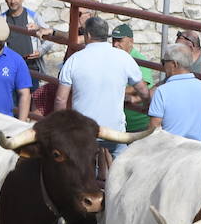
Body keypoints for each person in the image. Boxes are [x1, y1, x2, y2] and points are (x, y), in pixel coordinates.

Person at [55, 15, 148, 154]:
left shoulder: (74, 60)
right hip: (115, 131)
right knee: (120, 166)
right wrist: (147, 105)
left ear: (88, 35)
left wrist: (61, 127)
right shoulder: (124, 58)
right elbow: (143, 90)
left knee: (82, 169)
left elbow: (60, 99)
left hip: (84, 130)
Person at [147, 43, 201, 141]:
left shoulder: (162, 91)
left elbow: (153, 130)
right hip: (196, 150)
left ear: (174, 64)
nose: (163, 66)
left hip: (169, 151)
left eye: (164, 62)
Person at [110, 22, 154, 134]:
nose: (115, 44)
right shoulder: (113, 57)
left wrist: (115, 92)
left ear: (131, 41)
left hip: (138, 123)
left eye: (119, 41)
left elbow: (143, 84)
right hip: (120, 121)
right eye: (113, 40)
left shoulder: (139, 59)